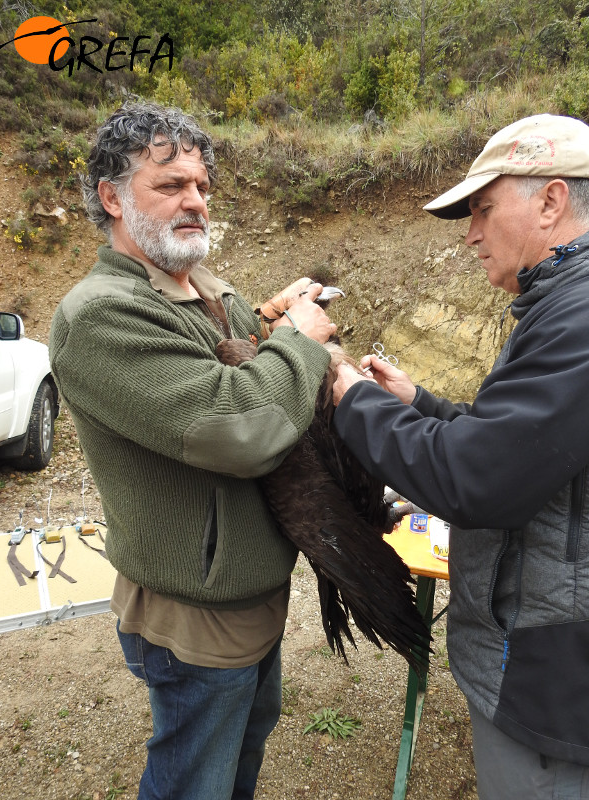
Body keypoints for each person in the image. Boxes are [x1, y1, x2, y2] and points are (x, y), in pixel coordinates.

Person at [49, 102, 337, 800]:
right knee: (194, 786)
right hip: (194, 617)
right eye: (171, 185)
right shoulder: (99, 316)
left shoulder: (201, 285)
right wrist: (300, 337)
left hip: (252, 597)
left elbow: (245, 357)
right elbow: (238, 425)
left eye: (202, 187)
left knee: (237, 767)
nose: (196, 201)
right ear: (112, 198)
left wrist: (271, 320)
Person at [332, 114, 589, 799]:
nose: (471, 234)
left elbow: (478, 478)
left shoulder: (578, 316)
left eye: (481, 209)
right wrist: (418, 404)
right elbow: (530, 448)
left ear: (551, 201)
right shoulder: (558, 305)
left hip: (553, 683)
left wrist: (350, 399)